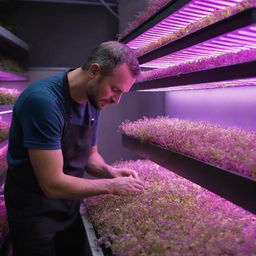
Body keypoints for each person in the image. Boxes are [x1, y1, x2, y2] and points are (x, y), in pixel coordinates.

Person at [4, 41, 145, 256]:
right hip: (34, 214)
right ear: (94, 71)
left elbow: (90, 156)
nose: (117, 100)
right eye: (115, 90)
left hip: (68, 207)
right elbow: (52, 184)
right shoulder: (44, 103)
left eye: (122, 92)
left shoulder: (93, 99)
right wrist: (112, 186)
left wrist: (110, 171)